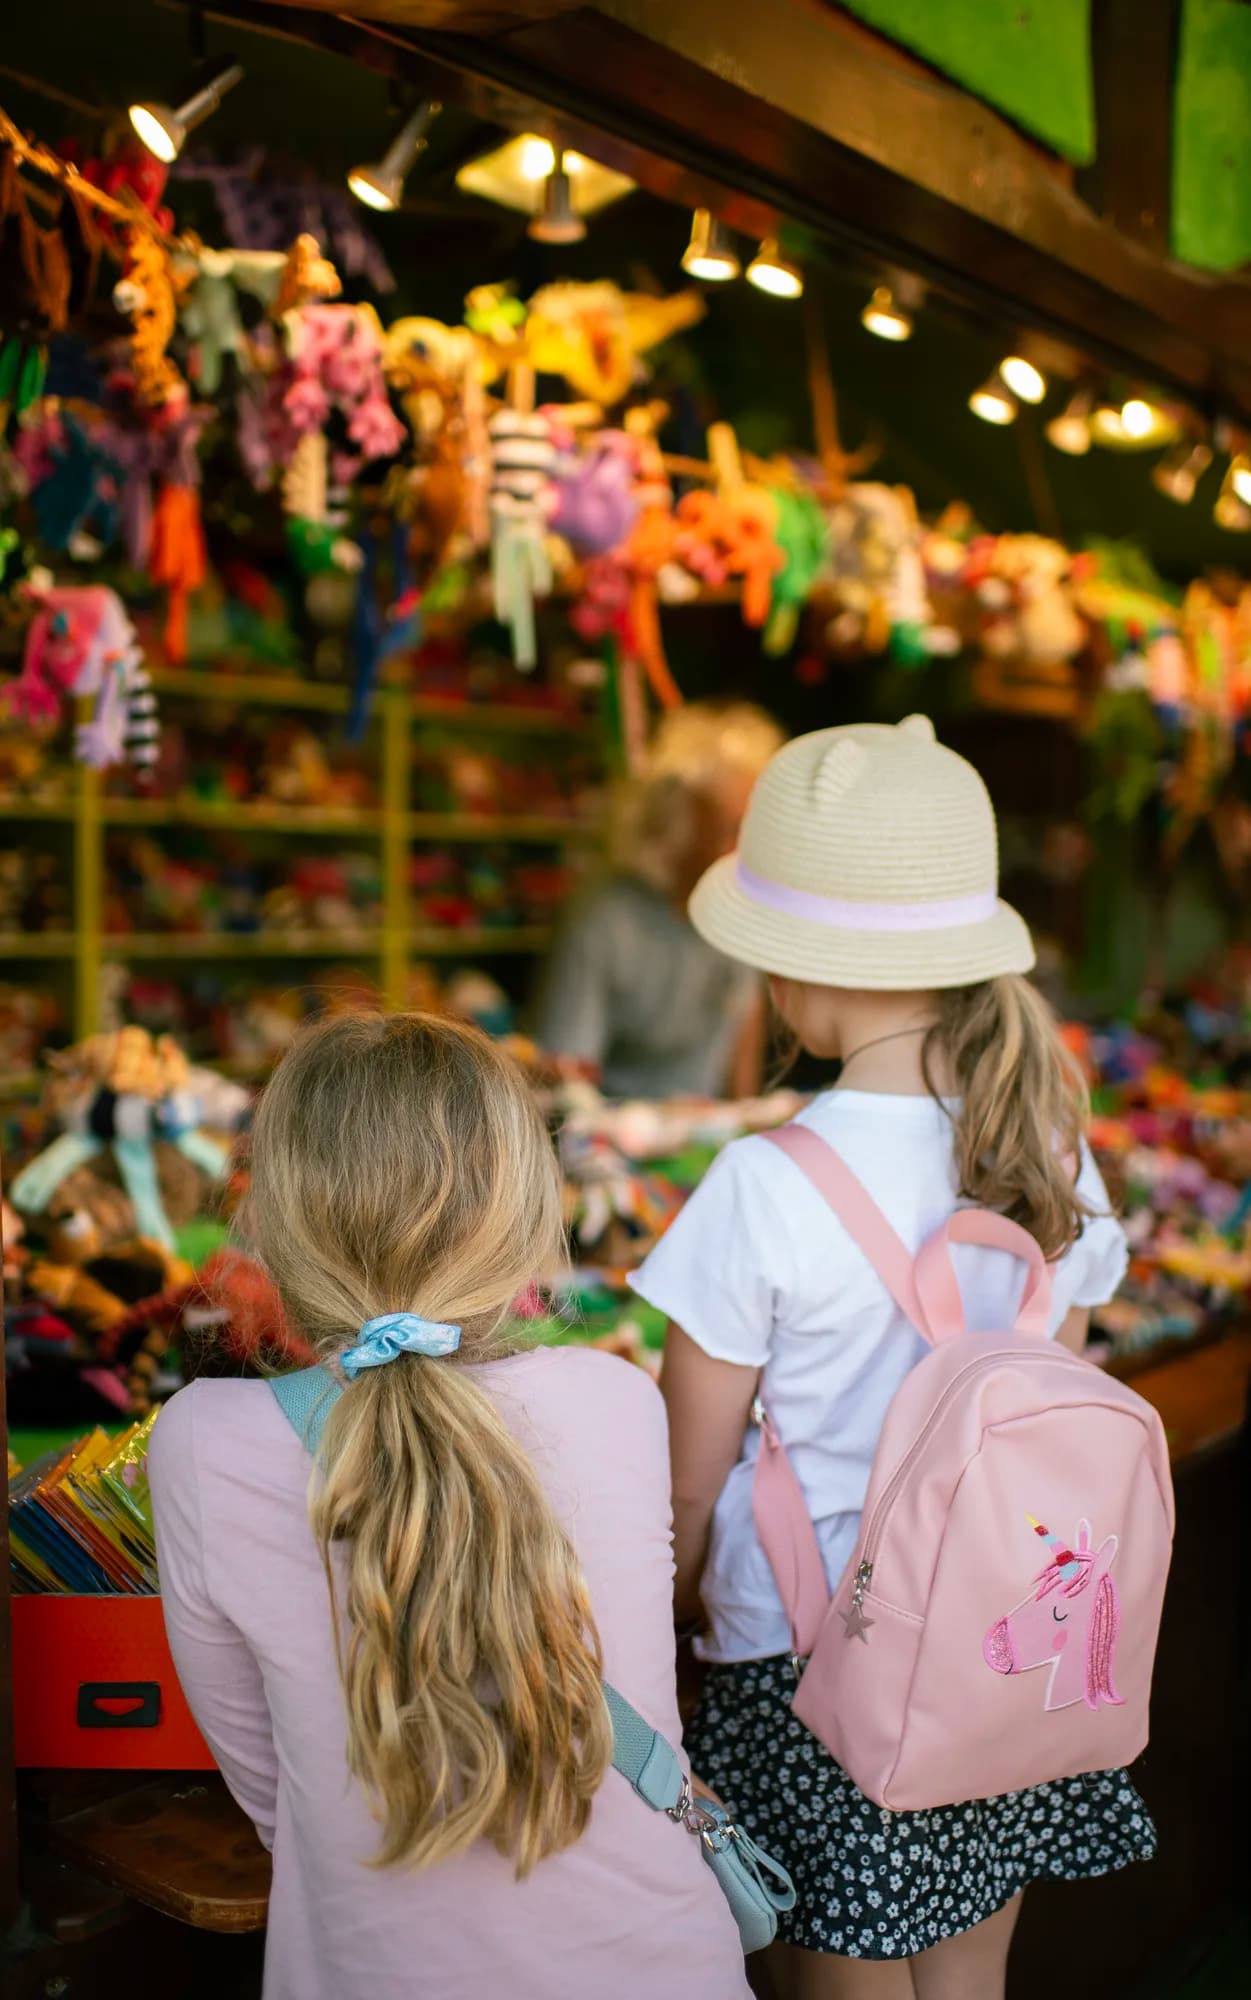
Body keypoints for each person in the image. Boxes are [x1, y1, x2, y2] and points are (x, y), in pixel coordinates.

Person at [631, 717, 1156, 1999]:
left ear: (797, 979)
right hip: (997, 1654)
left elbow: (682, 1486)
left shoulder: (760, 1183)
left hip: (799, 1673)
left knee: (836, 1986)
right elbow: (1040, 1412)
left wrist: (663, 1622)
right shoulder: (1047, 1149)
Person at [148, 1012, 749, 2000]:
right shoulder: (615, 1399)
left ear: (269, 1218)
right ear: (522, 1215)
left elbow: (274, 1793)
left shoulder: (201, 1441)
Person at [536, 700, 783, 1098]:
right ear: (678, 826)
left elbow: (742, 1056)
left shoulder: (744, 913)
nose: (749, 853)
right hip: (611, 1135)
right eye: (732, 830)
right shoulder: (604, 916)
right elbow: (565, 1073)